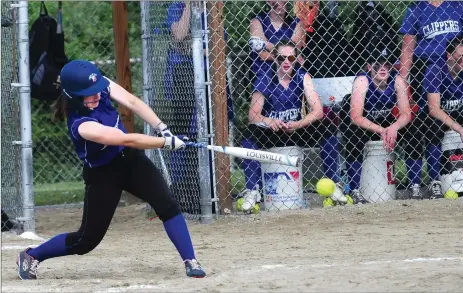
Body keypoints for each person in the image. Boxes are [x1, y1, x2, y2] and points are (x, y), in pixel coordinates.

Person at [16, 60, 206, 280]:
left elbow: (132, 102)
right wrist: (164, 143)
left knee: (167, 203)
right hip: (103, 174)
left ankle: (190, 260)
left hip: (130, 160)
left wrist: (162, 129)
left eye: (97, 90)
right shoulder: (81, 125)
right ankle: (32, 256)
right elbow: (127, 139)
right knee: (86, 241)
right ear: (73, 96)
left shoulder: (99, 86)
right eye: (89, 94)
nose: (97, 95)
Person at [241, 40, 345, 211]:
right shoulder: (265, 78)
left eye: (291, 57)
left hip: (295, 128)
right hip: (273, 131)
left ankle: (333, 185)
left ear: (296, 59)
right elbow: (253, 115)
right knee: (249, 135)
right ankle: (253, 191)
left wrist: (298, 124)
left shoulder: (303, 77)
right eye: (282, 58)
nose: (286, 62)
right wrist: (270, 121)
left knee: (328, 129)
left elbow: (318, 111)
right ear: (275, 59)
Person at [166, 1, 234, 214]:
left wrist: (192, 47)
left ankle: (214, 192)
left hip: (211, 79)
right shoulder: (176, 7)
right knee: (184, 136)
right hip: (182, 78)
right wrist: (188, 6)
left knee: (213, 133)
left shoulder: (214, 9)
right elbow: (178, 36)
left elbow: (218, 48)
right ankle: (184, 195)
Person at [399, 0, 463, 198]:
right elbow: (408, 48)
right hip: (425, 69)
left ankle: (444, 177)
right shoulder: (416, 9)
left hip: (456, 69)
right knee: (425, 123)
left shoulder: (457, 5)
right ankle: (428, 181)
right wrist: (403, 80)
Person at [342, 47, 417, 204]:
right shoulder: (362, 81)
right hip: (366, 125)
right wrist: (382, 130)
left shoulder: (396, 80)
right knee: (353, 133)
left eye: (387, 65)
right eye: (377, 64)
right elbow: (356, 117)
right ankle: (355, 190)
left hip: (387, 124)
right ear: (369, 67)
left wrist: (393, 128)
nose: (382, 68)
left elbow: (406, 114)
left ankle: (415, 184)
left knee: (413, 129)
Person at [422, 35, 463, 196]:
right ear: (449, 55)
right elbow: (434, 109)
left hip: (458, 113)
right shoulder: (435, 70)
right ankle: (435, 182)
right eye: (459, 58)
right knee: (434, 126)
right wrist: (459, 128)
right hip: (436, 117)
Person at [249, 0, 306, 81]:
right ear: (267, 1)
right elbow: (263, 55)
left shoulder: (297, 23)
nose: (280, 2)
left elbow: (295, 51)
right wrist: (287, 55)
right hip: (264, 73)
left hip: (289, 75)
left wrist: (267, 46)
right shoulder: (257, 21)